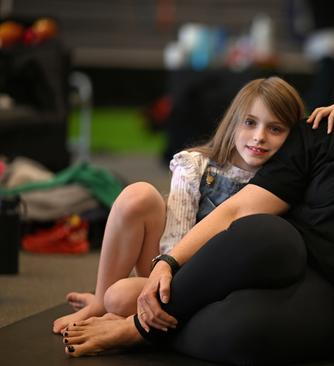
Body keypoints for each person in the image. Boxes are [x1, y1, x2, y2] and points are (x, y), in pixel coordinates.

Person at [61, 12, 334, 364]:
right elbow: (237, 211)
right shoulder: (320, 128)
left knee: (239, 334)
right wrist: (168, 263)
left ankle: (147, 321)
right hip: (275, 259)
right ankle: (139, 324)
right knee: (270, 232)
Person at [52, 76, 304, 334]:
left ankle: (122, 313)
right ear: (232, 123)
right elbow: (175, 238)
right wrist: (157, 281)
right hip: (171, 270)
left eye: (275, 129)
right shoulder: (194, 165)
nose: (259, 137)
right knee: (139, 195)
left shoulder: (282, 181)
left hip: (216, 286)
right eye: (250, 123)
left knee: (120, 297)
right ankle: (100, 303)